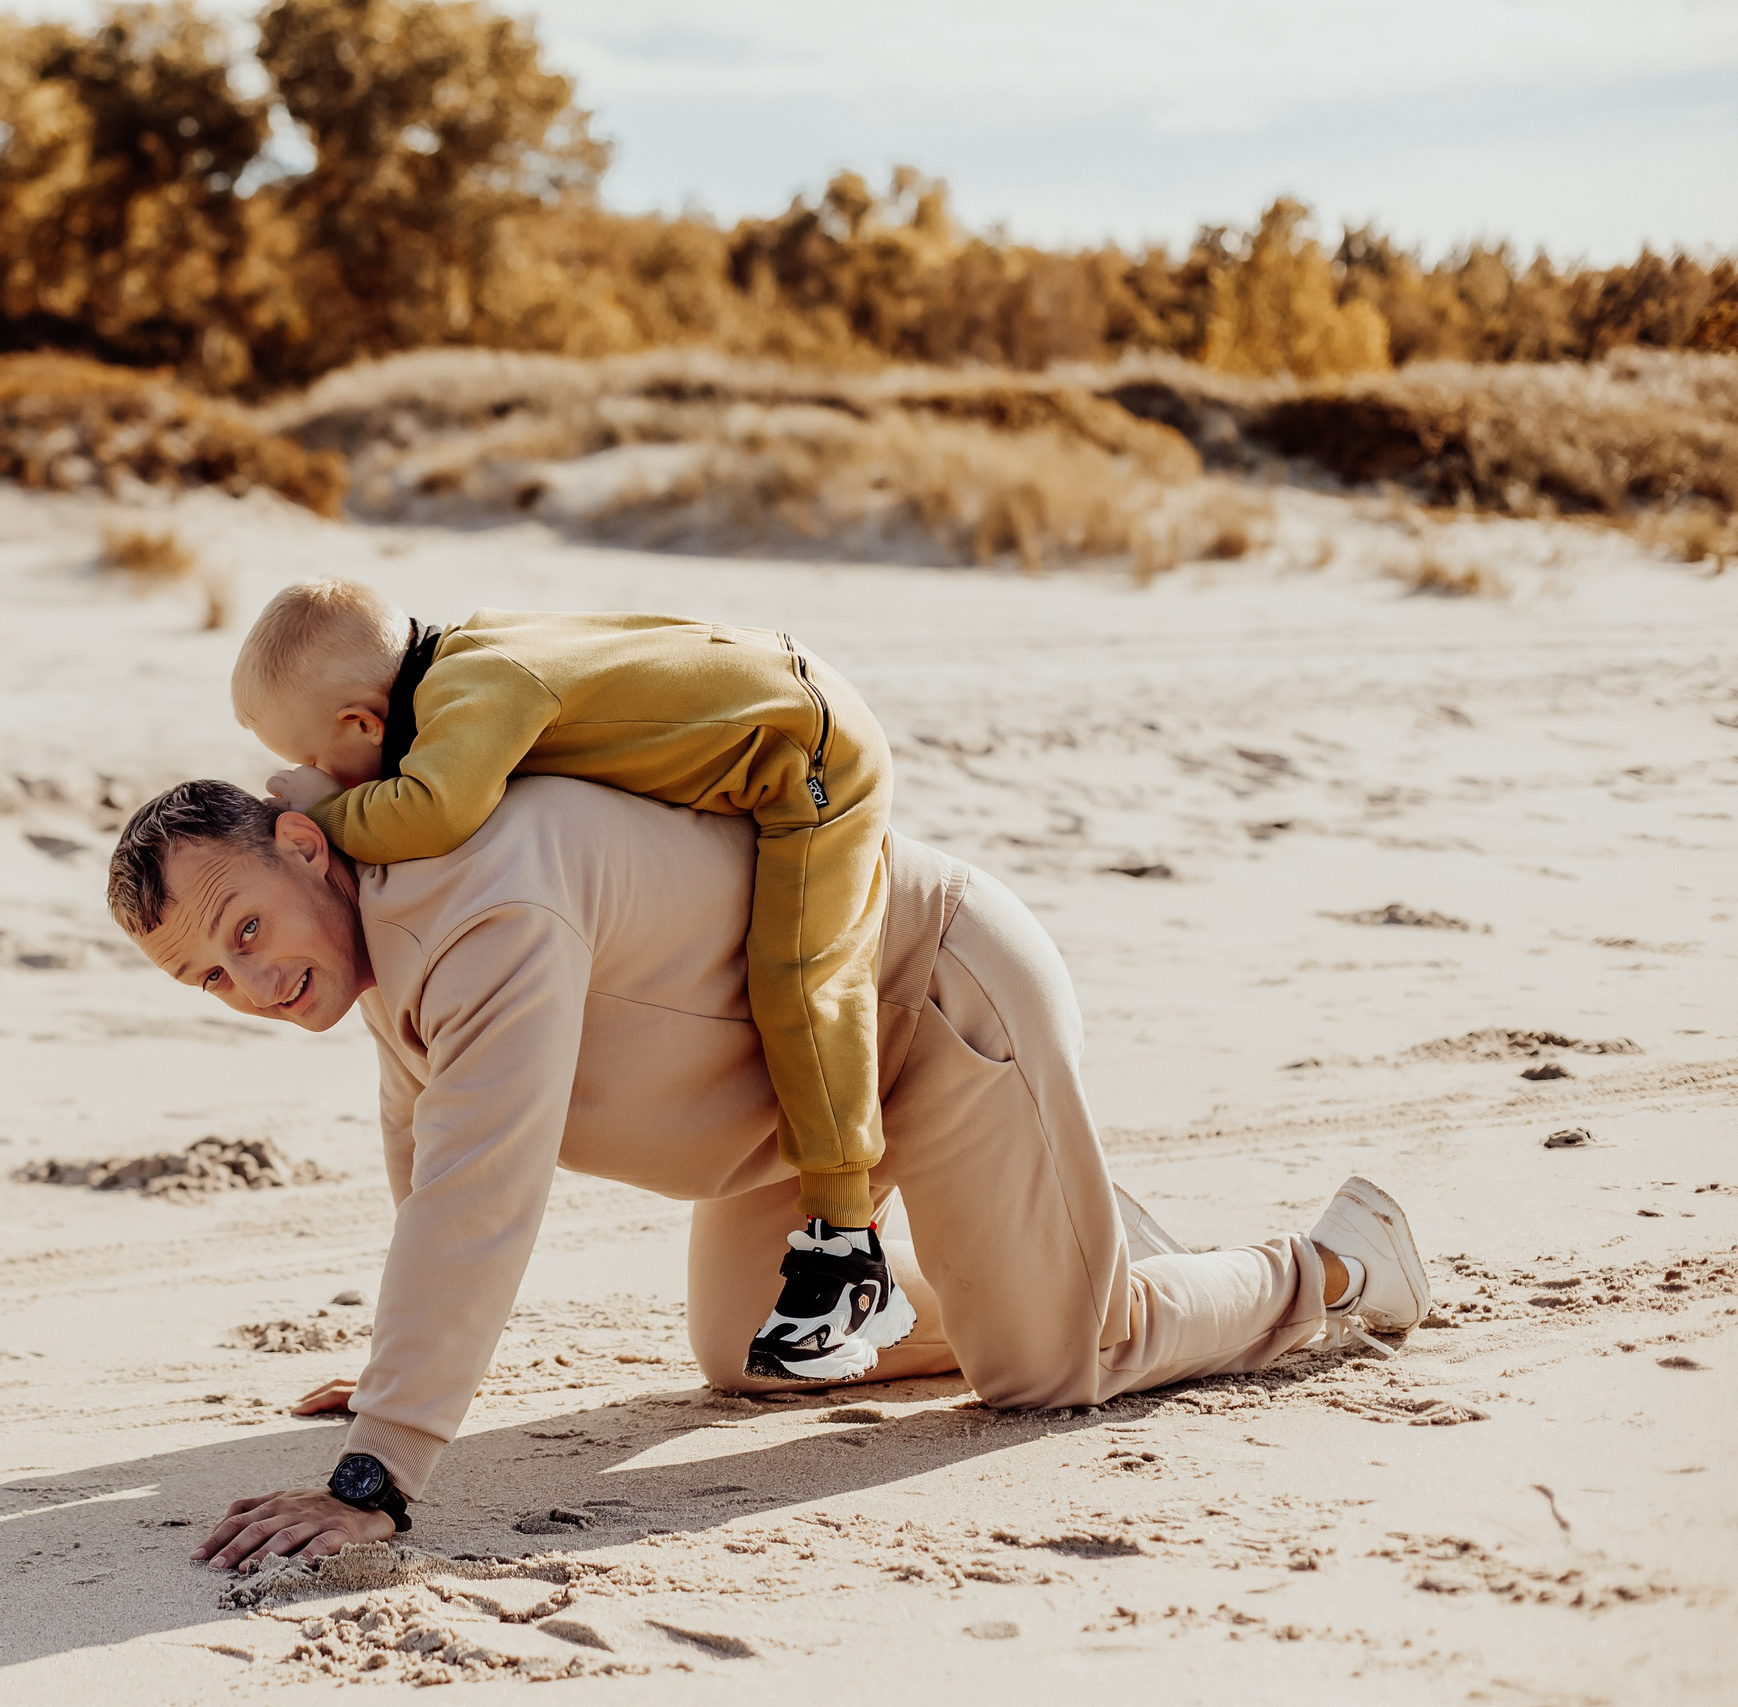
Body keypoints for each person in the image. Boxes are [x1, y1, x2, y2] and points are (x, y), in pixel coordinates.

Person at [104, 776, 1431, 1571]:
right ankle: (1064, 1236)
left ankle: (1338, 1262)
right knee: (764, 1349)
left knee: (1057, 1364)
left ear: (302, 843)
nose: (249, 979)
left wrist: (377, 1467)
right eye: (208, 974)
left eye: (246, 926)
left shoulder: (470, 906)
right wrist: (406, 1359)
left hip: (924, 998)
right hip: (787, 1103)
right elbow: (421, 1136)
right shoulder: (378, 941)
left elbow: (480, 1184)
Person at [231, 578, 906, 1382]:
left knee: (802, 973)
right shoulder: (462, 672)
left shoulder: (478, 688)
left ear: (361, 723)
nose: (312, 777)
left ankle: (844, 1239)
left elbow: (433, 810)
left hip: (810, 754)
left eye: (309, 759)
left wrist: (323, 815)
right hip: (776, 704)